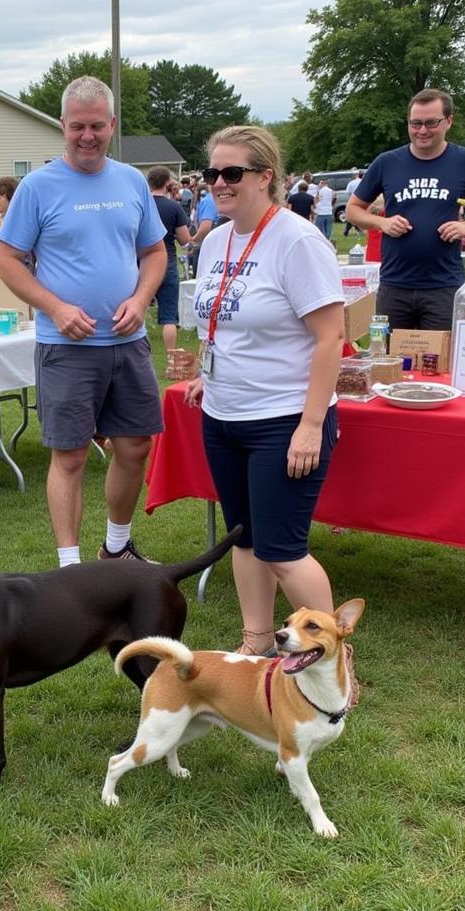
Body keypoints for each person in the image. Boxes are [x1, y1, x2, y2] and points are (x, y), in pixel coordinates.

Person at [185, 126, 345, 656]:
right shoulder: (214, 240)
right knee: (243, 538)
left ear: (265, 177)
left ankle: (334, 658)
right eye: (213, 173)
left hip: (284, 418)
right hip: (224, 415)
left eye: (232, 173)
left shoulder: (298, 239)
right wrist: (206, 375)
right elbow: (227, 324)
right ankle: (256, 642)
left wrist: (311, 425)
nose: (219, 183)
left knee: (282, 549)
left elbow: (331, 338)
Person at [0, 76, 167, 567]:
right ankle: (70, 569)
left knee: (134, 447)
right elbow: (7, 259)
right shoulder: (37, 186)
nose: (86, 135)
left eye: (96, 125)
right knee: (70, 457)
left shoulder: (131, 181)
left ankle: (116, 549)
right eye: (77, 127)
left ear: (112, 125)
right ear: (62, 126)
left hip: (127, 340)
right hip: (66, 345)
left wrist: (140, 298)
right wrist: (55, 307)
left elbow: (154, 252)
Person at [346, 88, 465, 329]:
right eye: (415, 123)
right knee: (389, 361)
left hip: (443, 286)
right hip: (395, 285)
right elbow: (352, 211)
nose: (422, 130)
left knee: (440, 362)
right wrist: (382, 222)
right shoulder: (387, 162)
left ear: (448, 121)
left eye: (431, 123)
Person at [146, 165, 192, 352]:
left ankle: (138, 354)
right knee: (169, 316)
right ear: (167, 183)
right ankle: (172, 356)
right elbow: (185, 239)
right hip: (166, 262)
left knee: (137, 310)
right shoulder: (173, 207)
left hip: (141, 264)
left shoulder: (141, 204)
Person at [187, 182, 217, 277]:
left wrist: (192, 241)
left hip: (207, 244)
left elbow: (205, 227)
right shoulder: (206, 200)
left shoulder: (208, 201)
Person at [342, 170, 363, 236]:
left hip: (353, 200)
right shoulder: (363, 182)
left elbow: (348, 193)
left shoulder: (351, 183)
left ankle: (348, 230)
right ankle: (358, 229)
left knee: (352, 216)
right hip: (362, 201)